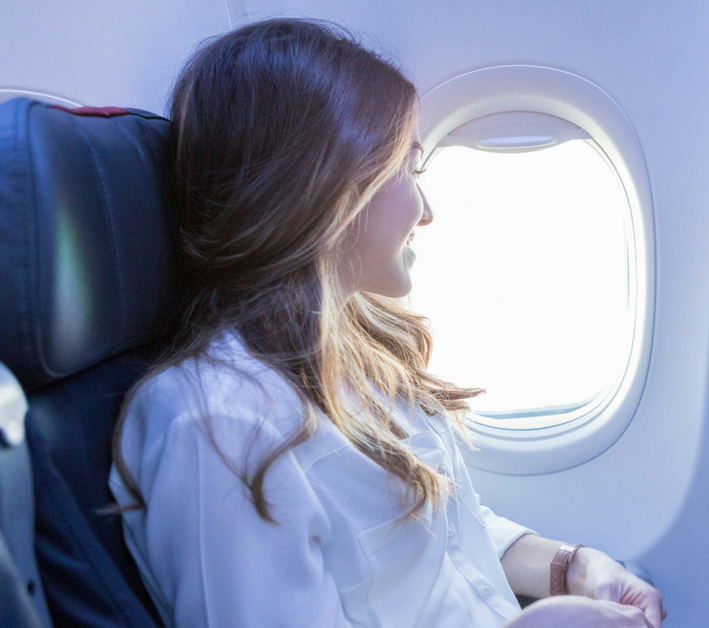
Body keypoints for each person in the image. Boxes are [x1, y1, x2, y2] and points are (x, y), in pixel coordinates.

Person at [108, 18, 665, 628]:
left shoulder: (357, 354)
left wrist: (575, 567)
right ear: (328, 189)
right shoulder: (220, 427)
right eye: (410, 170)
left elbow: (449, 537)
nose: (426, 212)